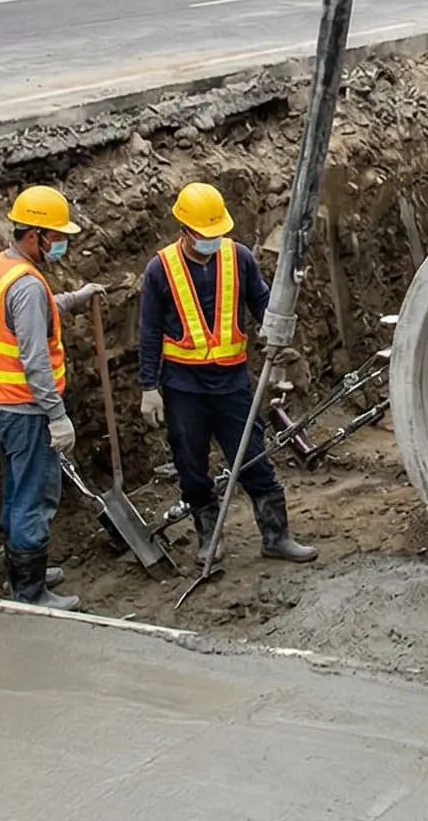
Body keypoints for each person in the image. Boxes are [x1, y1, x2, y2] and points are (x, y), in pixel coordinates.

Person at [136, 183, 317, 563]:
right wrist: (148, 386)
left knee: (251, 456)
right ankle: (209, 538)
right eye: (206, 235)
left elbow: (263, 302)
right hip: (184, 386)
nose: (213, 241)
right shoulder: (160, 270)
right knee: (191, 464)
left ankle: (275, 535)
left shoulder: (239, 258)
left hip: (231, 383)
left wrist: (276, 335)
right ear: (185, 231)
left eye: (218, 233)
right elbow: (150, 330)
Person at [0, 186, 108, 609]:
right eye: (56, 236)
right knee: (34, 497)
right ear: (35, 235)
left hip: (0, 402)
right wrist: (56, 416)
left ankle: (22, 570)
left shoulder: (1, 265)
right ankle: (31, 593)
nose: (60, 243)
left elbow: (30, 315)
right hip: (26, 409)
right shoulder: (27, 285)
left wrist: (73, 298)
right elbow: (34, 358)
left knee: (17, 491)